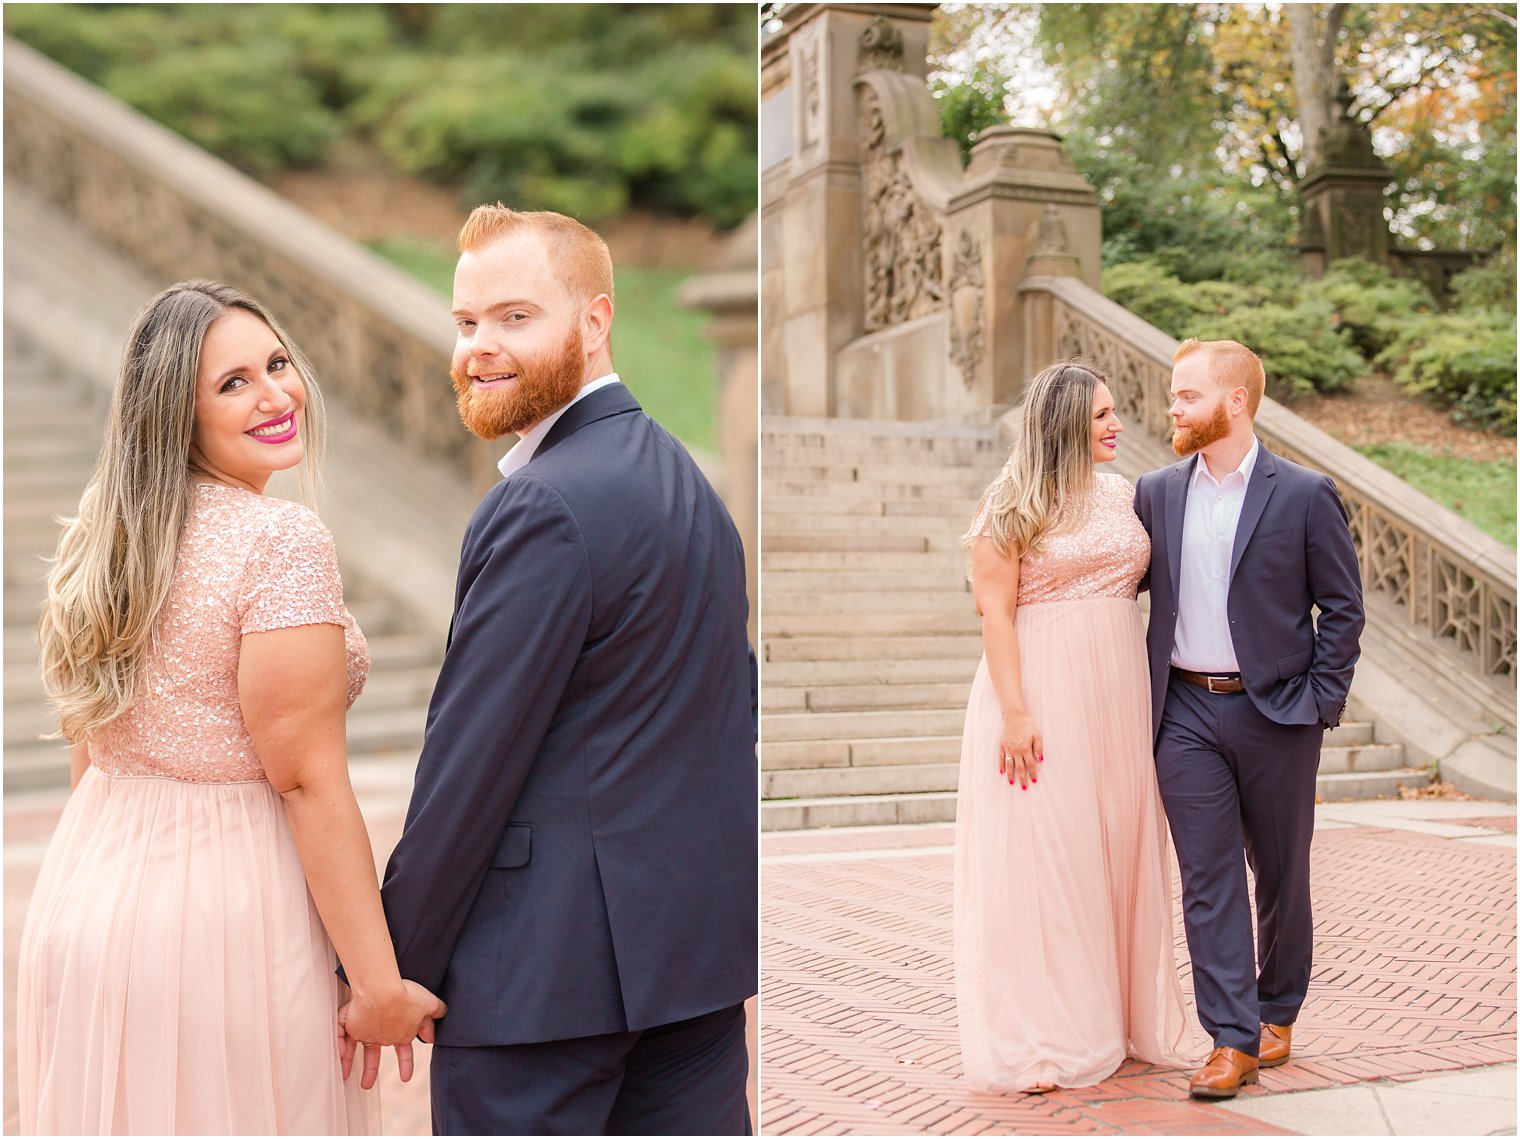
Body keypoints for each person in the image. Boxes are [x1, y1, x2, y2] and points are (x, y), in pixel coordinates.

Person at [18, 281, 445, 1135]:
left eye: (277, 364)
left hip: (88, 900)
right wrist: (379, 983)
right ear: (178, 412)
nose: (276, 394)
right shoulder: (279, 542)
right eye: (233, 383)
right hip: (230, 920)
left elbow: (90, 744)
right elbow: (305, 779)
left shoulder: (106, 535)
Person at [377, 205, 758, 1135]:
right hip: (688, 967)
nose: (478, 347)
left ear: (594, 322)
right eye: (466, 323)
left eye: (514, 317)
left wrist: (391, 966)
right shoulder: (686, 481)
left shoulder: (543, 503)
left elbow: (470, 763)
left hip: (540, 984)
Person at [954, 360, 1199, 1094]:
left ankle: (1124, 1016)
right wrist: (1017, 712)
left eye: (1114, 411)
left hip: (1119, 696)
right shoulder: (1009, 505)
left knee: (1116, 852)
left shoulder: (1124, 495)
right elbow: (995, 613)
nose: (1116, 424)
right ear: (1062, 423)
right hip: (1041, 693)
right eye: (1100, 415)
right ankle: (1046, 1036)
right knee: (1049, 864)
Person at [1134, 338, 1364, 1099]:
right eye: (1174, 395)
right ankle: (1230, 1038)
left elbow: (1343, 608)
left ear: (1235, 401)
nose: (1174, 407)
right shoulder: (1156, 491)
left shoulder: (1302, 493)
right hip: (1186, 711)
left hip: (1277, 712)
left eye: (1188, 396)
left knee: (1282, 873)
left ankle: (1278, 1008)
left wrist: (1318, 703)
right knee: (1208, 876)